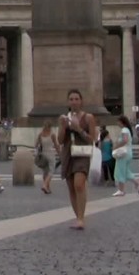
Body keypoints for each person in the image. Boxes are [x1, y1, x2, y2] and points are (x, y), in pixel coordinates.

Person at [58, 89, 97, 230]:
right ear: (68, 102)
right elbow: (60, 140)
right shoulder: (64, 118)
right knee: (71, 187)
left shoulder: (88, 118)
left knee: (79, 184)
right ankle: (78, 217)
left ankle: (81, 218)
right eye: (71, 99)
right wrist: (63, 127)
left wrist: (78, 128)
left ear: (81, 101)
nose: (74, 101)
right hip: (68, 153)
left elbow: (92, 139)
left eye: (76, 99)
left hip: (82, 153)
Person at [112, 115, 136, 197]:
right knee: (125, 171)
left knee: (120, 171)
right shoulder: (127, 130)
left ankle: (121, 190)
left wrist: (116, 146)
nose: (117, 123)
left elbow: (124, 140)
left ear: (121, 122)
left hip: (123, 153)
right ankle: (137, 183)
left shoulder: (124, 130)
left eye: (118, 121)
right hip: (128, 152)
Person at [35, 120, 59, 194]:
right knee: (51, 171)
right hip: (51, 154)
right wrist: (60, 153)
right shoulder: (52, 134)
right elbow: (56, 145)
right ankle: (45, 185)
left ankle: (48, 188)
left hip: (43, 154)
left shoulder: (40, 134)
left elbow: (36, 145)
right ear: (50, 127)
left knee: (45, 172)